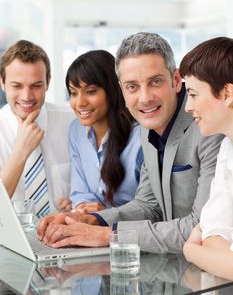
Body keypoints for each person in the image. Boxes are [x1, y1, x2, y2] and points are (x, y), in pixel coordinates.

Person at [37, 32, 223, 253]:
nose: (144, 98)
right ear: (122, 90)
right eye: (132, 86)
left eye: (155, 82)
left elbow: (202, 227)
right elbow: (148, 205)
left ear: (175, 80)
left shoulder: (208, 127)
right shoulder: (148, 127)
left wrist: (109, 235)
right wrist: (92, 220)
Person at [60, 50, 143, 213]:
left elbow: (152, 208)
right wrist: (83, 209)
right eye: (73, 93)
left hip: (128, 233)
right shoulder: (76, 130)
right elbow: (80, 192)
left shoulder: (141, 136)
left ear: (112, 90)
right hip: (87, 227)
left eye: (90, 91)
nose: (80, 103)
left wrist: (106, 212)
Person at [179, 37, 233, 281]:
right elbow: (211, 230)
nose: (188, 107)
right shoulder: (227, 147)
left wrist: (191, 251)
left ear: (227, 92)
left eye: (193, 94)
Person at [0, 40, 74, 216]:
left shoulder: (73, 122)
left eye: (36, 85)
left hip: (66, 235)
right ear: (2, 83)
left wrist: (83, 201)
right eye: (16, 86)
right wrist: (21, 151)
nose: (26, 96)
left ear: (47, 83)